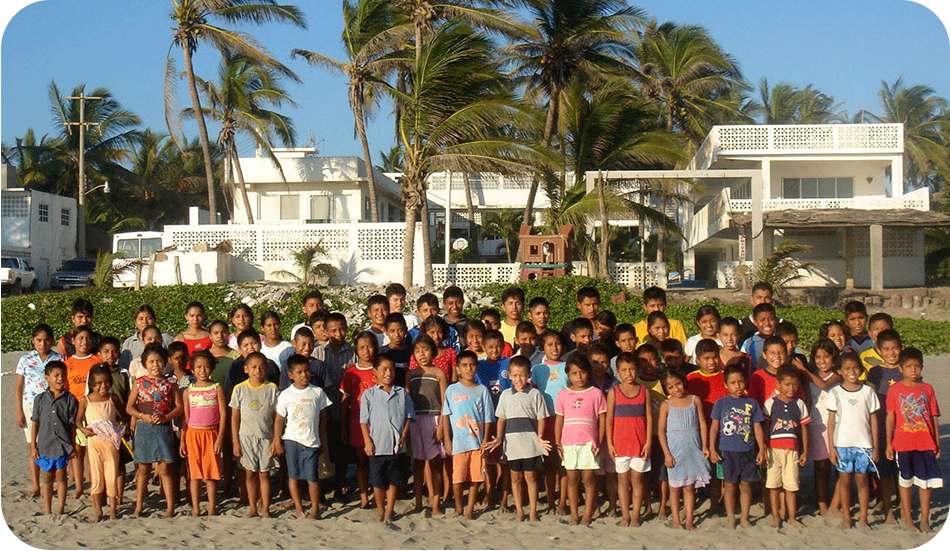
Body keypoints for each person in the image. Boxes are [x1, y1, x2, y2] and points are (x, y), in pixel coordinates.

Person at [885, 347, 942, 533]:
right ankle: (908, 519)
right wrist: (888, 443)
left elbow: (933, 416)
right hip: (903, 443)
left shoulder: (928, 389)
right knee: (905, 481)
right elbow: (890, 417)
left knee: (925, 482)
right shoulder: (895, 390)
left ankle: (924, 520)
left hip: (925, 442)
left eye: (917, 366)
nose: (913, 370)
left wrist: (937, 441)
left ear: (922, 367)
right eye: (909, 366)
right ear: (900, 368)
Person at [489, 356, 550, 522]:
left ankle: (532, 511)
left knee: (531, 478)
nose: (518, 379)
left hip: (530, 444)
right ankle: (519, 511)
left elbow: (542, 417)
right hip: (512, 445)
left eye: (522, 375)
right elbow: (501, 418)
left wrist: (541, 437)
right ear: (509, 376)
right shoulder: (505, 395)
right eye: (515, 375)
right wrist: (499, 439)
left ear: (529, 374)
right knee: (515, 478)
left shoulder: (535, 394)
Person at [127, 343, 184, 518]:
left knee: (165, 468)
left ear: (165, 363)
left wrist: (166, 417)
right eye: (151, 361)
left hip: (163, 427)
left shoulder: (171, 382)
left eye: (159, 361)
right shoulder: (139, 383)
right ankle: (139, 506)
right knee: (143, 469)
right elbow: (130, 407)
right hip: (144, 427)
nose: (155, 365)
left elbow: (179, 407)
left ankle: (169, 506)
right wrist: (142, 417)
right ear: (144, 363)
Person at [272, 356, 332, 519]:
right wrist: (277, 440)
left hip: (311, 441)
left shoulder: (317, 392)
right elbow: (279, 419)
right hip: (291, 440)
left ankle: (314, 508)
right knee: (294, 476)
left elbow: (323, 417)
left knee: (312, 477)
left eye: (306, 371)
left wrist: (321, 438)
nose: (304, 375)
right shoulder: (285, 394)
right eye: (299, 372)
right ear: (290, 375)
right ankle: (298, 507)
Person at [708, 364, 767, 530]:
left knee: (746, 486)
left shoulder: (752, 403)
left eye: (741, 382)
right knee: (729, 485)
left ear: (746, 382)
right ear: (726, 385)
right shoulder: (721, 404)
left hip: (748, 451)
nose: (737, 386)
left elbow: (757, 427)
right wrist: (712, 449)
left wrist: (761, 449)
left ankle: (745, 517)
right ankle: (731, 517)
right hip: (727, 452)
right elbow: (714, 427)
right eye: (733, 383)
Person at [827, 351, 880, 530]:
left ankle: (863, 518)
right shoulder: (835, 393)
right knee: (844, 481)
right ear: (840, 371)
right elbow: (831, 422)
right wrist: (831, 447)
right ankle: (847, 517)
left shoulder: (868, 392)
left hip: (864, 444)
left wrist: (876, 446)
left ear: (861, 370)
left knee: (862, 480)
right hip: (842, 444)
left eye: (855, 368)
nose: (852, 372)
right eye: (847, 368)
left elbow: (873, 420)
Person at [441, 350, 496, 519]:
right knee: (458, 478)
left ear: (477, 367)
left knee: (476, 478)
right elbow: (445, 416)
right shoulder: (452, 390)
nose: (469, 369)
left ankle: (470, 509)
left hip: (477, 443)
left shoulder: (482, 390)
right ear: (457, 369)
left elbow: (488, 418)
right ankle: (459, 507)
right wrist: (447, 440)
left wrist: (485, 439)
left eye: (472, 365)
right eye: (464, 365)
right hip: (458, 443)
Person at [360, 355, 414, 523]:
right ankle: (380, 510)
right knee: (377, 482)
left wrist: (404, 436)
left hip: (396, 446)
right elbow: (363, 421)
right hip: (377, 445)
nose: (388, 373)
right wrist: (367, 442)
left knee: (394, 481)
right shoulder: (369, 394)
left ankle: (390, 509)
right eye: (384, 369)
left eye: (391, 369)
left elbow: (408, 417)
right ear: (375, 371)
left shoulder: (402, 394)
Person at [555, 355, 607, 526]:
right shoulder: (563, 394)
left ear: (588, 373)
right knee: (572, 478)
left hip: (589, 443)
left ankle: (587, 513)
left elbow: (602, 420)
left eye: (583, 372)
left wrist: (599, 441)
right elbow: (559, 420)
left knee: (589, 478)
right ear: (568, 375)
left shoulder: (596, 393)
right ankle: (574, 514)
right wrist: (558, 442)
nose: (579, 377)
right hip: (569, 442)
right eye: (574, 373)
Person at [15, 324, 65, 498]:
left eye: (46, 340)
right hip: (30, 405)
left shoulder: (59, 358)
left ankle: (53, 485)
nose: (42, 344)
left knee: (53, 446)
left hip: (54, 406)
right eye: (38, 340)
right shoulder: (25, 359)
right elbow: (19, 386)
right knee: (33, 447)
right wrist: (19, 411)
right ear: (33, 341)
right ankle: (36, 486)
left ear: (51, 340)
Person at [657, 369, 710, 531]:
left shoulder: (695, 400)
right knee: (674, 488)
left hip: (693, 449)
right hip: (675, 451)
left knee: (689, 487)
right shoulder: (666, 405)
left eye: (678, 384)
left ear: (683, 382)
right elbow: (660, 431)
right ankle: (675, 519)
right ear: (666, 389)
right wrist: (666, 454)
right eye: (671, 387)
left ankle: (688, 520)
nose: (676, 389)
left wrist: (705, 446)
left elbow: (702, 423)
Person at [311, 312, 355, 501]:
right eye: (333, 330)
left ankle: (340, 487)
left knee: (343, 452)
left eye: (342, 329)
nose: (339, 333)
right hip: (323, 411)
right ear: (326, 332)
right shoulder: (317, 352)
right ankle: (320, 493)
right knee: (322, 451)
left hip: (346, 409)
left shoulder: (352, 352)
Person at [229, 351, 279, 518]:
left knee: (264, 474)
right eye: (253, 367)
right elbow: (235, 417)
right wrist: (235, 442)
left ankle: (265, 508)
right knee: (249, 473)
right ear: (246, 369)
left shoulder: (272, 389)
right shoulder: (240, 389)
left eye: (261, 367)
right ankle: (252, 508)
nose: (257, 370)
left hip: (266, 438)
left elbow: (276, 416)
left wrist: (276, 440)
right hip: (246, 438)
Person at [75, 363, 126, 521]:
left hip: (111, 443)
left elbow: (123, 415)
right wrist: (84, 430)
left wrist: (121, 429)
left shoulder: (113, 398)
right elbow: (77, 420)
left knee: (111, 475)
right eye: (98, 383)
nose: (102, 386)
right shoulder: (86, 400)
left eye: (106, 382)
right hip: (94, 441)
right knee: (96, 476)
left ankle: (113, 509)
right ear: (91, 385)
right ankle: (97, 510)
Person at [606, 352, 652, 527]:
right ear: (617, 372)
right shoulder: (614, 392)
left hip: (640, 444)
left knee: (637, 480)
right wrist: (610, 443)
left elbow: (649, 418)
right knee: (623, 481)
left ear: (637, 371)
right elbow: (609, 419)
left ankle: (635, 516)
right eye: (624, 370)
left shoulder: (644, 391)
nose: (628, 374)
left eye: (632, 369)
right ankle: (625, 515)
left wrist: (648, 442)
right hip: (620, 444)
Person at [763, 365, 811, 530]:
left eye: (794, 385)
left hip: (792, 449)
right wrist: (763, 448)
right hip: (773, 449)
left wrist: (804, 450)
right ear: (778, 384)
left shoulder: (799, 404)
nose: (791, 388)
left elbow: (804, 428)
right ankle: (776, 516)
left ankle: (792, 517)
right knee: (774, 485)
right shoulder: (770, 403)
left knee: (791, 485)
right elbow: (765, 426)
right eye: (787, 384)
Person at [180, 350, 226, 517]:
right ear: (192, 370)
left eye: (206, 367)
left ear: (211, 369)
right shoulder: (188, 391)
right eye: (198, 367)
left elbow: (223, 414)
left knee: (210, 474)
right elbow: (185, 417)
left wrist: (220, 437)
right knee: (195, 474)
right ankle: (196, 507)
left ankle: (212, 506)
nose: (202, 370)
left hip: (211, 434)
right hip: (193, 435)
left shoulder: (217, 388)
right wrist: (183, 441)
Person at [798, 338, 841, 515]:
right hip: (816, 425)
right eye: (818, 357)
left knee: (840, 467)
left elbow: (823, 385)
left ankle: (836, 504)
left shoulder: (837, 375)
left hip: (836, 425)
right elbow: (808, 400)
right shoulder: (810, 379)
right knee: (820, 468)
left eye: (826, 356)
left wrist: (804, 371)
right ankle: (823, 505)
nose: (822, 361)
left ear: (834, 358)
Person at [407, 335, 448, 515]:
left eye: (425, 349)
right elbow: (407, 401)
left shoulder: (439, 373)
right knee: (417, 463)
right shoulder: (411, 374)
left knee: (435, 463)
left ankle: (435, 501)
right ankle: (418, 502)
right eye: (417, 350)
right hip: (416, 420)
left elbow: (445, 401)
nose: (421, 354)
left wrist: (441, 426)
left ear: (433, 351)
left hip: (434, 420)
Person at [30, 360, 78, 516]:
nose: (60, 379)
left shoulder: (70, 399)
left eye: (63, 375)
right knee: (47, 478)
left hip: (63, 445)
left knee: (61, 476)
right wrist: (33, 446)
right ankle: (47, 509)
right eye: (56, 375)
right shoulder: (40, 399)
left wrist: (73, 446)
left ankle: (61, 508)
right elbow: (35, 423)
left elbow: (72, 426)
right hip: (45, 444)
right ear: (47, 378)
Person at [867, 328, 903, 524]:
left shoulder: (904, 369)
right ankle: (888, 508)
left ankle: (903, 504)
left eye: (895, 348)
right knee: (885, 470)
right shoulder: (875, 372)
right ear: (879, 350)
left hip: (903, 428)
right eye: (886, 349)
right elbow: (869, 400)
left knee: (903, 470)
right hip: (881, 428)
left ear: (901, 348)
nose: (891, 353)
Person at [530, 329, 569, 515]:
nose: (554, 348)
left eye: (558, 344)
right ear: (542, 348)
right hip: (544, 420)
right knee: (549, 464)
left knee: (563, 463)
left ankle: (562, 501)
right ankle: (551, 501)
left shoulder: (567, 367)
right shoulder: (537, 369)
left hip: (565, 420)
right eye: (550, 344)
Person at [340, 331, 380, 509]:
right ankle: (364, 497)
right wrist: (343, 425)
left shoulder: (381, 369)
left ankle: (380, 494)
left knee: (378, 461)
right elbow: (345, 400)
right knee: (361, 461)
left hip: (380, 423)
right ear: (356, 350)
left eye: (370, 346)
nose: (366, 351)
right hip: (358, 423)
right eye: (362, 347)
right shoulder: (351, 373)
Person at [64, 325, 101, 499]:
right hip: (75, 410)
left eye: (87, 338)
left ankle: (95, 484)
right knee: (77, 451)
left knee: (94, 449)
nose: (84, 342)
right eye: (80, 339)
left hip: (94, 409)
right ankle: (79, 486)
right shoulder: (67, 363)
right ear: (73, 341)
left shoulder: (96, 361)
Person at [477, 329, 512, 510]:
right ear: (483, 347)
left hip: (505, 419)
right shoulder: (479, 366)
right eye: (490, 347)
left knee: (504, 461)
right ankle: (490, 495)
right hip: (487, 419)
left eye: (498, 346)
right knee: (489, 461)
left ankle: (505, 497)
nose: (494, 350)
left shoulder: (509, 364)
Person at [119, 305, 173, 370]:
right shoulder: (129, 343)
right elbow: (123, 367)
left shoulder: (166, 338)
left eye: (149, 318)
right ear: (135, 322)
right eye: (141, 319)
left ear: (154, 320)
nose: (145, 322)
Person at [410, 316, 458, 383]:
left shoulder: (451, 353)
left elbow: (454, 379)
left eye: (440, 332)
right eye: (432, 333)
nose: (436, 337)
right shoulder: (418, 354)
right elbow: (413, 377)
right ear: (425, 333)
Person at [560, 286, 601, 353]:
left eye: (595, 304)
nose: (592, 309)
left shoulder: (604, 327)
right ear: (578, 305)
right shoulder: (569, 327)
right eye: (587, 305)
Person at [740, 302, 778, 371]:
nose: (767, 323)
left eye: (771, 319)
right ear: (755, 322)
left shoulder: (781, 339)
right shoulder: (749, 343)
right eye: (762, 320)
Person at [380, 313, 412, 387]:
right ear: (386, 331)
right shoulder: (382, 353)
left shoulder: (413, 351)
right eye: (392, 331)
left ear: (406, 330)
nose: (396, 335)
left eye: (400, 330)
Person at [443, 285, 469, 351]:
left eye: (458, 303)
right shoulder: (441, 323)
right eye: (450, 303)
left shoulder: (469, 324)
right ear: (444, 304)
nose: (454, 306)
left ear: (463, 302)